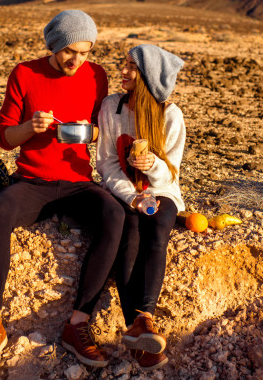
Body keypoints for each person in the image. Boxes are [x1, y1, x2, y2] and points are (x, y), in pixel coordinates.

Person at [0, 9, 125, 377]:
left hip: (77, 183)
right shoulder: (25, 73)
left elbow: (103, 128)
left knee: (114, 215)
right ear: (54, 46)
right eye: (70, 51)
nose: (77, 60)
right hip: (32, 184)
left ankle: (77, 324)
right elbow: (4, 139)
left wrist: (95, 133)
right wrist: (31, 126)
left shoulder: (96, 75)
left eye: (85, 51)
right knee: (0, 209)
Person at [96, 44, 186, 372]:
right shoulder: (111, 107)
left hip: (159, 191)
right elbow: (105, 163)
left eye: (132, 67)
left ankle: (143, 318)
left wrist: (152, 165)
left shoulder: (170, 115)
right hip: (125, 192)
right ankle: (138, 327)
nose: (123, 71)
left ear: (148, 77)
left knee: (158, 223)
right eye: (125, 64)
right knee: (129, 229)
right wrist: (130, 196)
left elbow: (170, 173)